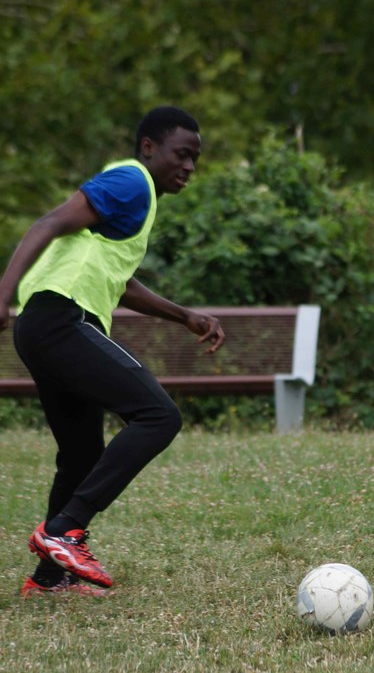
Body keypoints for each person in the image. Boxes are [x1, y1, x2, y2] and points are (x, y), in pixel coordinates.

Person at [0, 106, 225, 598]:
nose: (189, 166)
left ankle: (50, 578)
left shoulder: (136, 199)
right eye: (181, 154)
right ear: (149, 147)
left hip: (46, 326)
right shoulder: (131, 180)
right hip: (60, 320)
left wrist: (184, 315)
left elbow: (119, 281)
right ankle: (65, 531)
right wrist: (2, 292)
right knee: (159, 415)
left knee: (82, 453)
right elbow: (48, 223)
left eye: (195, 159)